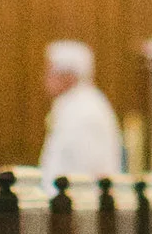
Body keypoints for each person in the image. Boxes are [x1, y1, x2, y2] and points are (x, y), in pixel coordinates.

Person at [39, 39, 125, 182]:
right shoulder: (72, 105)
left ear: (68, 76)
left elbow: (83, 172)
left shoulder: (84, 110)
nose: (44, 77)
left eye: (49, 71)